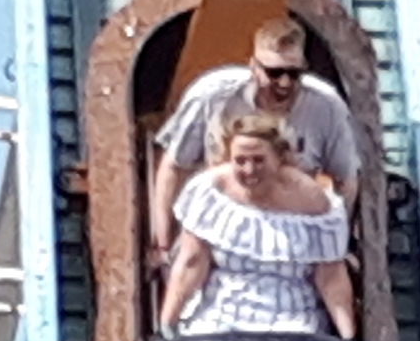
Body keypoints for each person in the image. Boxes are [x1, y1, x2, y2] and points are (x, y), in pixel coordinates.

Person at [153, 109, 363, 341]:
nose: (249, 169)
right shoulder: (210, 191)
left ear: (279, 159)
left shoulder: (314, 202)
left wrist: (348, 339)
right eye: (240, 161)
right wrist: (166, 325)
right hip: (222, 312)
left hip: (292, 318)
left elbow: (330, 276)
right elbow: (192, 263)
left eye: (258, 160)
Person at [152, 24, 362, 264]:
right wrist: (164, 243)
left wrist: (333, 243)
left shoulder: (326, 106)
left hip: (291, 235)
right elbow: (174, 166)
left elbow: (346, 181)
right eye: (274, 72)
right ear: (253, 66)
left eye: (294, 73)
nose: (284, 83)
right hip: (216, 228)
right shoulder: (212, 97)